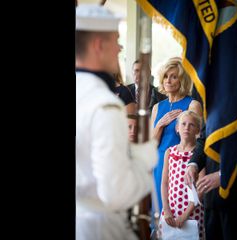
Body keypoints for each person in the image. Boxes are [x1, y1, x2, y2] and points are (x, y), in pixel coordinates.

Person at [76, 4, 158, 240]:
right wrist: (142, 159)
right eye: (116, 40)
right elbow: (116, 193)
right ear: (98, 46)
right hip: (99, 229)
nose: (120, 48)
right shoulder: (105, 104)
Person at [151, 57, 203, 213]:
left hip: (183, 165)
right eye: (166, 76)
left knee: (181, 214)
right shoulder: (157, 107)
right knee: (161, 213)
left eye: (174, 76)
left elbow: (199, 139)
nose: (168, 80)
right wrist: (160, 125)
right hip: (160, 163)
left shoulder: (193, 104)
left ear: (182, 80)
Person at [185, 125, 237, 240]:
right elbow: (204, 140)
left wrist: (224, 175)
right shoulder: (212, 106)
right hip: (211, 197)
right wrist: (193, 164)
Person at [160, 110, 206, 239]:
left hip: (192, 212)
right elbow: (164, 183)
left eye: (191, 125)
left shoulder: (199, 156)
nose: (187, 127)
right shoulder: (170, 152)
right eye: (183, 124)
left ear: (198, 130)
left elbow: (201, 188)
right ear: (177, 128)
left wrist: (186, 214)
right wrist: (166, 209)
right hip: (171, 212)